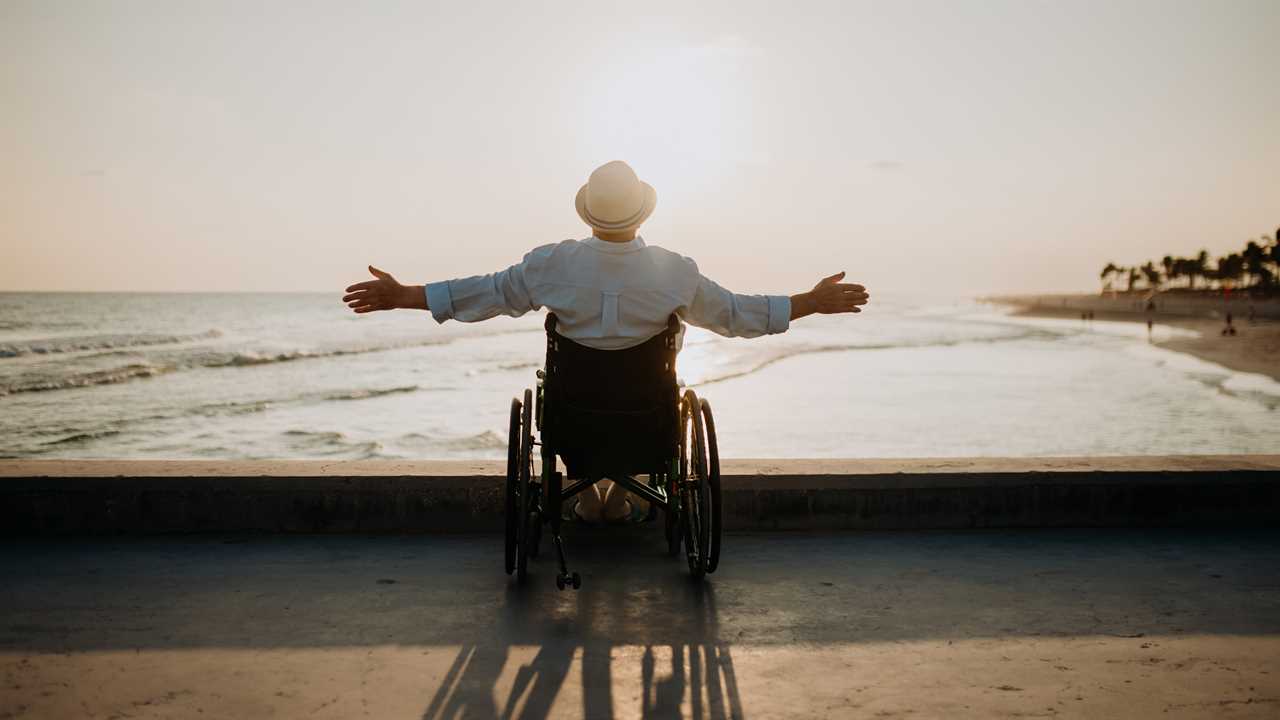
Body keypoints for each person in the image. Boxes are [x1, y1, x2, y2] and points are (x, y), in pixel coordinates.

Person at [341, 160, 870, 521]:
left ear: (589, 213)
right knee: (644, 398)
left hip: (573, 420)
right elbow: (737, 314)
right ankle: (616, 496)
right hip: (649, 418)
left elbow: (485, 294)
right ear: (643, 213)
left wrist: (404, 294)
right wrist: (809, 302)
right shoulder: (673, 271)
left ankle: (594, 496)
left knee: (580, 403)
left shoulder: (550, 264)